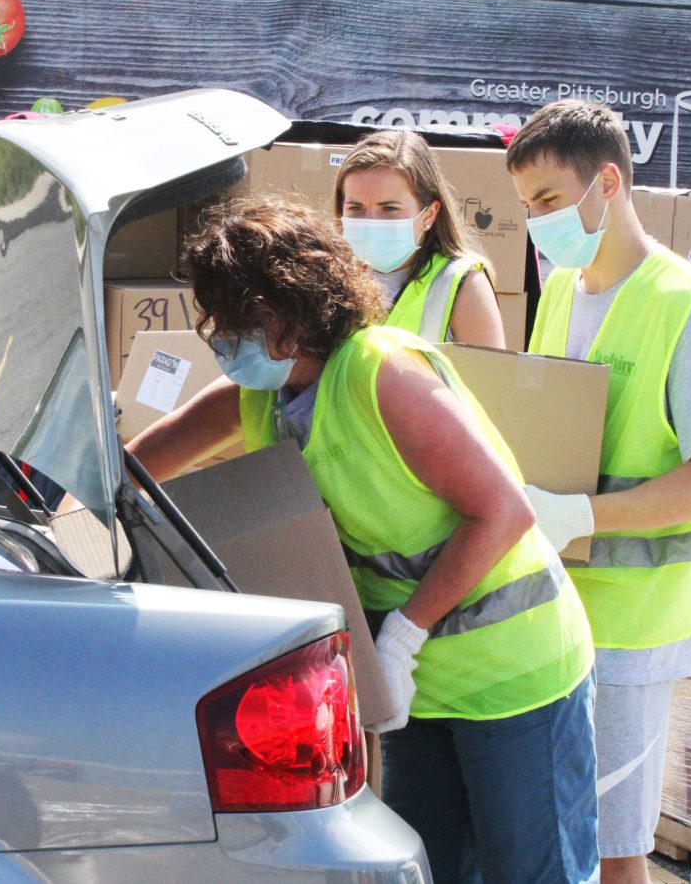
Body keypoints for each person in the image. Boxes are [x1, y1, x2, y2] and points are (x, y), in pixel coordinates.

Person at [130, 197, 599, 884]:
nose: (224, 341)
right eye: (218, 323)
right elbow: (136, 470)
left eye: (238, 322)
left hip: (514, 678)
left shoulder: (381, 373)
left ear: (292, 310)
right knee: (432, 870)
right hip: (420, 689)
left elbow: (504, 511)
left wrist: (404, 635)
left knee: (532, 874)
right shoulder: (260, 393)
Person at [506, 100, 691, 884]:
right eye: (526, 207)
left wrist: (582, 515)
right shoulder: (565, 293)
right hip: (563, 607)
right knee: (577, 831)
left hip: (638, 622)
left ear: (608, 182)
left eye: (547, 201)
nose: (536, 223)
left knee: (616, 849)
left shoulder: (685, 305)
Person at [334, 129, 506, 347]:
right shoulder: (331, 280)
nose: (371, 221)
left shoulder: (462, 284)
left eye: (389, 208)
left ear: (429, 214)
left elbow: (489, 378)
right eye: (355, 208)